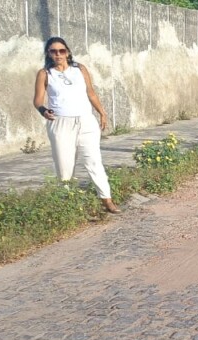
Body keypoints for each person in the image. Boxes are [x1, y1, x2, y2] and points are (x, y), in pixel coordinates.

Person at [33, 37, 120, 214]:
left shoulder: (79, 69)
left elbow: (91, 93)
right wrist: (43, 110)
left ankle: (106, 200)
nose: (58, 54)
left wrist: (102, 112)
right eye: (53, 51)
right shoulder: (45, 73)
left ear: (68, 52)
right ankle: (68, 206)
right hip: (60, 124)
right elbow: (37, 100)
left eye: (61, 51)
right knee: (64, 167)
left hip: (86, 121)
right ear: (48, 53)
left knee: (94, 161)